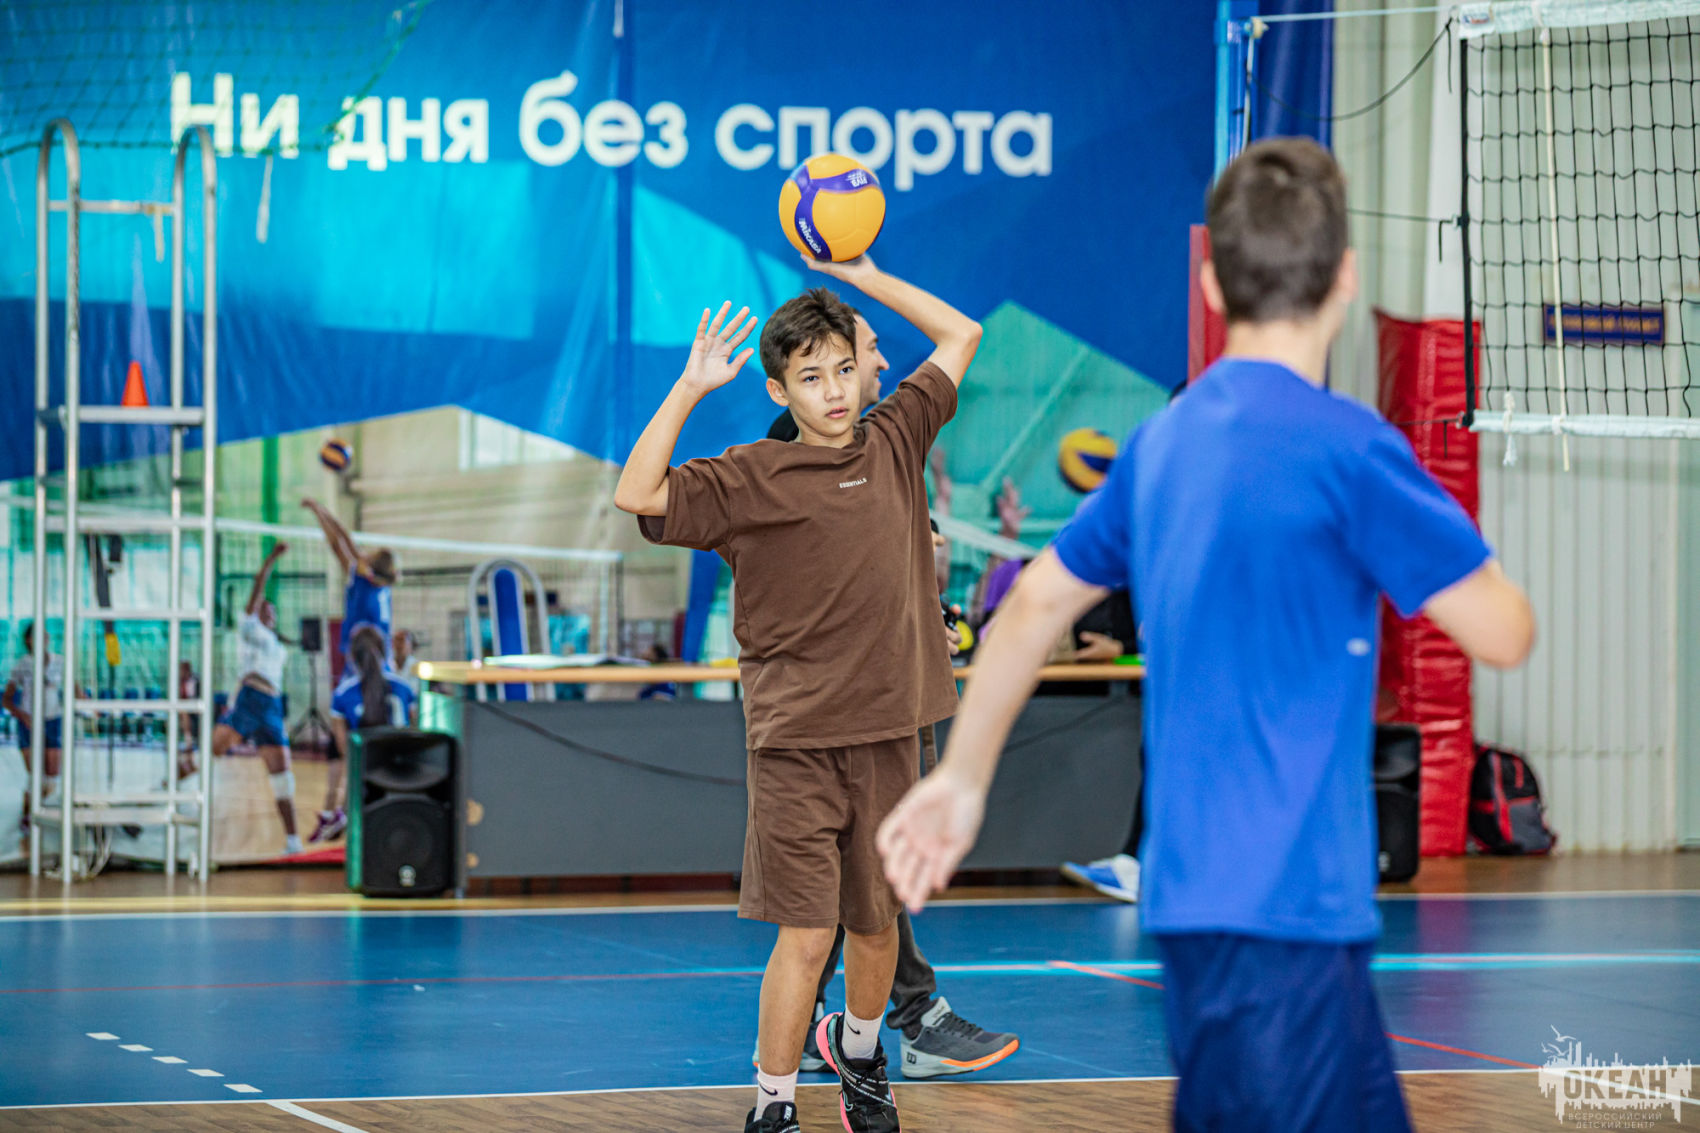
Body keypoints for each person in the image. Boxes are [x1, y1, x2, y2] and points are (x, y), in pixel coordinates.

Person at [876, 137, 1537, 1133]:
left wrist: (962, 778)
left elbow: (1032, 607)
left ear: (1212, 285)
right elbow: (1503, 631)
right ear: (1345, 278)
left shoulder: (1162, 445)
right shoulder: (1354, 450)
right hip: (1286, 908)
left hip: (1204, 901)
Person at [615, 252, 981, 1133]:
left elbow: (961, 332)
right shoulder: (749, 477)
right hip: (794, 743)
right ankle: (773, 1104)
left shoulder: (895, 439)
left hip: (891, 735)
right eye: (810, 378)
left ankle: (861, 1054)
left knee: (876, 924)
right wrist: (691, 386)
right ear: (779, 390)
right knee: (809, 931)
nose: (834, 390)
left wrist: (862, 272)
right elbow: (637, 491)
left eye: (844, 369)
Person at [758, 301, 1017, 1082]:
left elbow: (880, 575)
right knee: (859, 883)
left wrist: (925, 619)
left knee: (870, 881)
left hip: (896, 695)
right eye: (866, 348)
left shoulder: (886, 448)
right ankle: (903, 1019)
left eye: (860, 354)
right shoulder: (791, 459)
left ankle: (846, 1025)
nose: (875, 361)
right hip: (831, 714)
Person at [302, 497, 396, 844]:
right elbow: (345, 544)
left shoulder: (364, 583)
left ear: (370, 568)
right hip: (380, 677)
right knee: (357, 747)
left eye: (366, 558)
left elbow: (339, 541)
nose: (361, 557)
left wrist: (320, 510)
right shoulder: (383, 590)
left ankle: (342, 811)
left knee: (346, 747)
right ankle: (341, 811)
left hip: (358, 677)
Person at [210, 543, 302, 856]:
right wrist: (271, 559)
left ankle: (293, 842)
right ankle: (167, 787)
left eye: (272, 611)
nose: (269, 613)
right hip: (250, 700)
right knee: (211, 752)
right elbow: (257, 589)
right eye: (265, 608)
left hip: (272, 707)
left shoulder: (277, 645)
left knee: (283, 776)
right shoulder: (249, 628)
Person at [4, 622, 64, 834]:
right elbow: (7, 699)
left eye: (45, 635)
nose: (43, 639)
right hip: (29, 722)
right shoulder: (23, 664)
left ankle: (37, 807)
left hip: (53, 720)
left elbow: (76, 691)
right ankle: (28, 814)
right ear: (29, 640)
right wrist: (23, 716)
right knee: (35, 773)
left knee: (52, 774)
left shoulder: (59, 662)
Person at [331, 626, 418, 755]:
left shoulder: (342, 694)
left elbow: (343, 748)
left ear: (352, 656)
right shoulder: (405, 688)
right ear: (385, 653)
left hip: (362, 764)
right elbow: (415, 733)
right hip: (403, 762)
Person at [393, 629, 420, 697]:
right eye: (396, 640)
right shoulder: (388, 664)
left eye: (402, 640)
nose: (398, 644)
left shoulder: (416, 667)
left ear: (411, 646)